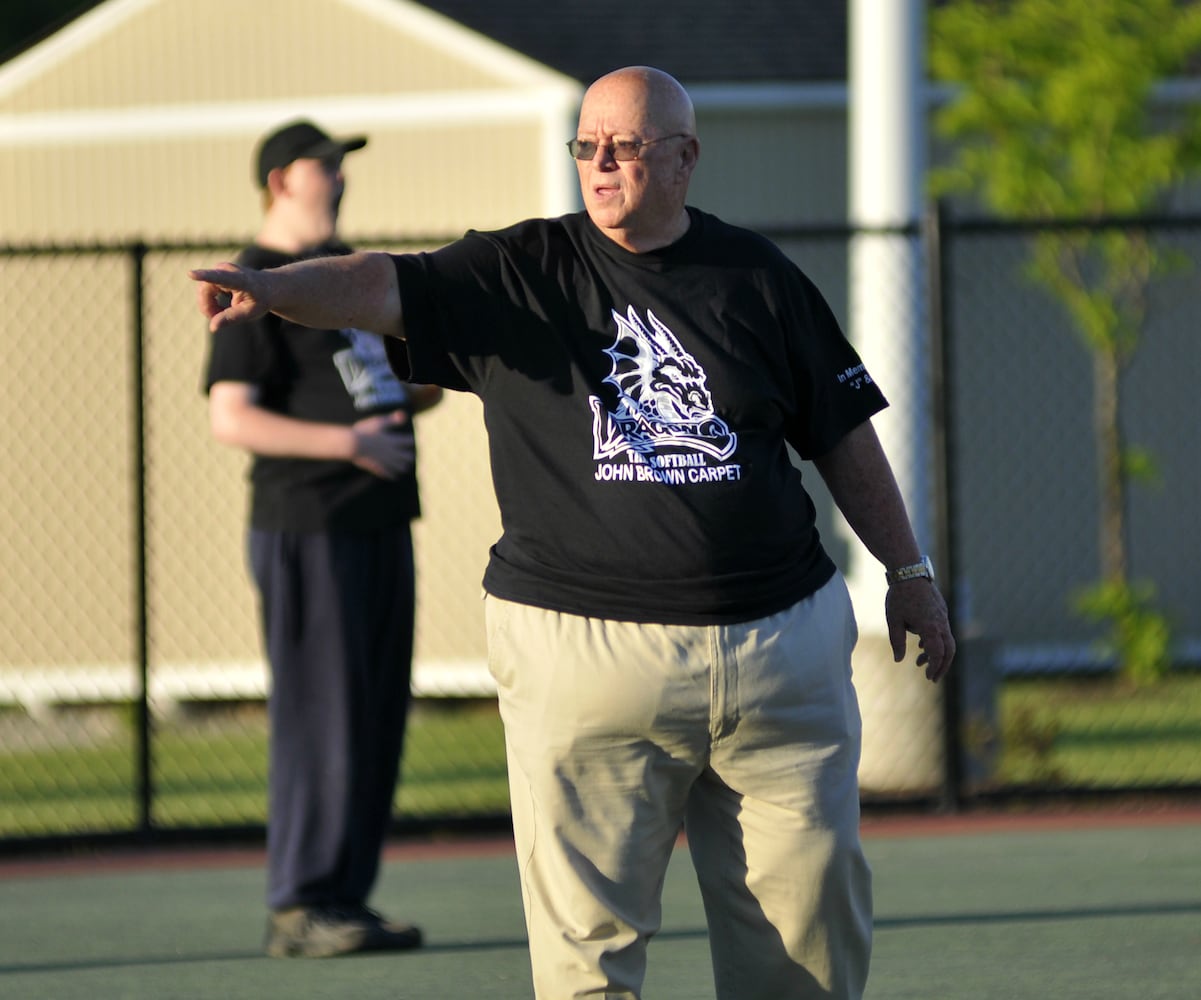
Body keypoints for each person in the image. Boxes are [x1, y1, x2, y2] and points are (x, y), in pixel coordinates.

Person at [192, 69, 954, 998]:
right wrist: (272, 287)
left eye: (626, 146)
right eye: (586, 145)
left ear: (684, 158)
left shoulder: (758, 277)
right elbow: (376, 282)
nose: (600, 163)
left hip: (774, 651)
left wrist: (906, 570)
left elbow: (841, 434)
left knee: (805, 937)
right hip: (584, 650)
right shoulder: (516, 271)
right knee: (586, 957)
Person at [201, 119, 442, 959]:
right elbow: (230, 416)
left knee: (374, 715)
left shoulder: (343, 278)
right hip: (309, 525)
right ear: (280, 180)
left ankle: (345, 895)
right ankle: (299, 903)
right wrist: (351, 443)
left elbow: (404, 388)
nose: (339, 177)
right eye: (324, 165)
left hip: (379, 522)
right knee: (320, 715)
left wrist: (407, 397)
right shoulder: (253, 280)